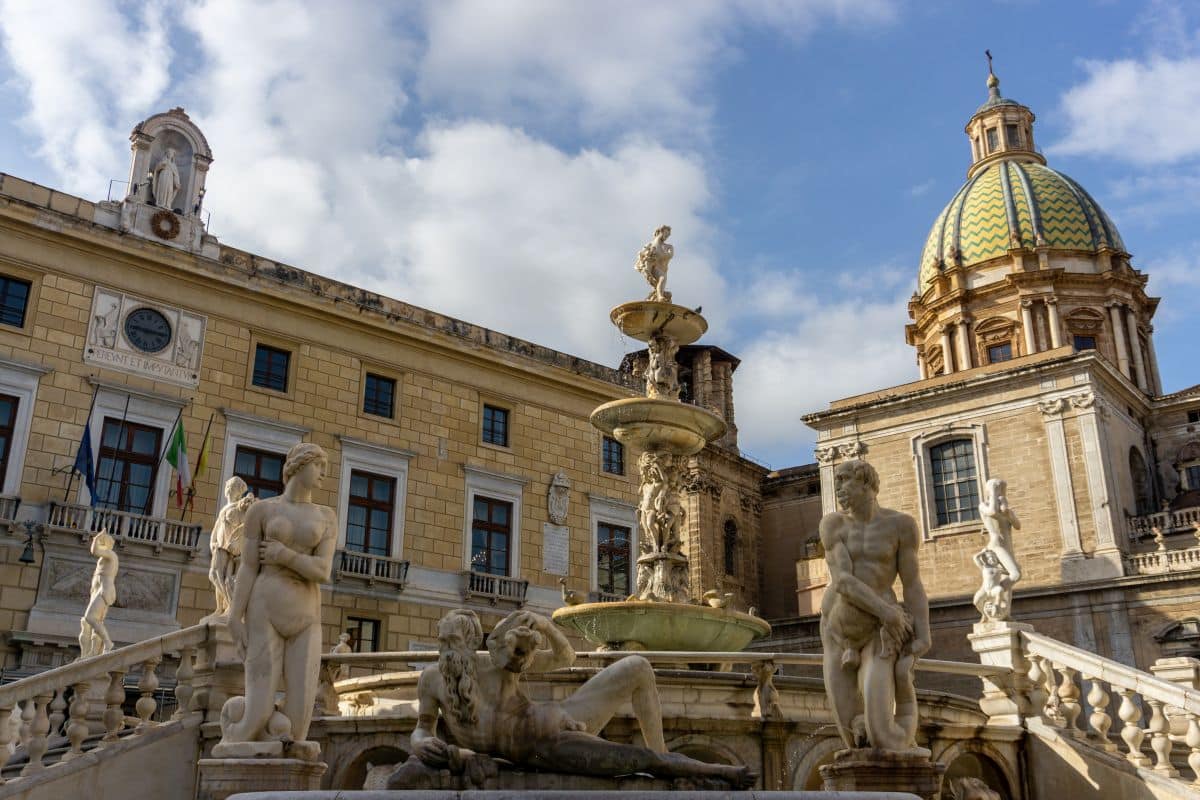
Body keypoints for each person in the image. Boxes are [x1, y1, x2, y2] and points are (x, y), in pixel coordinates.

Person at [402, 608, 754, 787]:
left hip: (555, 721)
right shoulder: (432, 681)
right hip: (547, 745)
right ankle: (716, 770)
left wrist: (545, 625)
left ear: (471, 642)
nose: (447, 651)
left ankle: (689, 764)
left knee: (638, 668)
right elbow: (422, 729)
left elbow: (566, 659)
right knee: (638, 760)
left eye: (454, 643)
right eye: (442, 642)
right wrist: (420, 743)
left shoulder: (494, 666)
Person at [217, 442, 337, 752]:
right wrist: (233, 615)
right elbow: (247, 566)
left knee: (297, 730)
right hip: (264, 608)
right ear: (298, 466)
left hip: (306, 615)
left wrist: (283, 554)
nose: (324, 473)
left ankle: (277, 742)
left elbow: (322, 571)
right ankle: (239, 734)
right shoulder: (262, 510)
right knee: (254, 714)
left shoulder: (326, 516)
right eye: (318, 466)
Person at [819, 459, 930, 753]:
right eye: (837, 482)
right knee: (852, 741)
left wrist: (923, 633)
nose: (839, 489)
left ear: (866, 483)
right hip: (839, 631)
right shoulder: (833, 525)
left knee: (881, 736)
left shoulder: (901, 526)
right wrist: (888, 612)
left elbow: (912, 584)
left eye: (844, 480)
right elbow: (843, 581)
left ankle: (903, 681)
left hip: (881, 633)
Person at [205, 476, 255, 621]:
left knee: (216, 575)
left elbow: (244, 528)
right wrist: (212, 542)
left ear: (239, 491)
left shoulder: (240, 506)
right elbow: (216, 528)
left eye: (232, 487)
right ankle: (220, 608)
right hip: (219, 546)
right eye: (227, 486)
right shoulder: (225, 508)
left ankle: (232, 606)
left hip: (228, 548)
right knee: (217, 575)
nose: (228, 489)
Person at [79, 529, 119, 658]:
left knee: (90, 618)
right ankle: (91, 653)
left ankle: (108, 643)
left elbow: (94, 551)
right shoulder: (105, 557)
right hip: (99, 591)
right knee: (88, 622)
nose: (99, 543)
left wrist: (96, 538)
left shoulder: (111, 555)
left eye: (102, 542)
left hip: (105, 591)